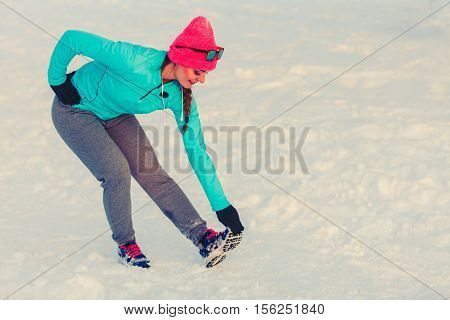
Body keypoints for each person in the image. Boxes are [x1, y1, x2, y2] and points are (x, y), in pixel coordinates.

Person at [48, 16, 244, 269]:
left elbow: (197, 151)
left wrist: (222, 206)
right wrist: (57, 81)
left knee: (151, 171)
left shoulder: (179, 96)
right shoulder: (132, 60)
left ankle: (202, 236)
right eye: (199, 71)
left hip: (116, 114)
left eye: (204, 74)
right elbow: (71, 39)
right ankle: (126, 244)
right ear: (182, 59)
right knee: (116, 172)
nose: (202, 80)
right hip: (74, 110)